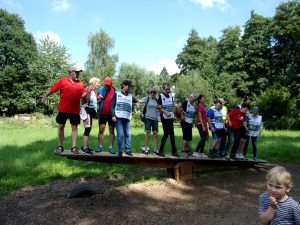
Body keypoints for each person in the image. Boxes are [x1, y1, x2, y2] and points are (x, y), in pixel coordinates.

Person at [41, 66, 85, 154]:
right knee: (61, 126)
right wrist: (45, 96)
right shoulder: (63, 81)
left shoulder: (80, 83)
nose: (78, 74)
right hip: (63, 108)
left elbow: (83, 96)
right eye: (76, 72)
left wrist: (88, 92)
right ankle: (60, 146)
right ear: (70, 72)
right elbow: (52, 89)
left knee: (75, 128)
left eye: (79, 72)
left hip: (75, 110)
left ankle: (74, 147)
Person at [111, 80, 139, 157]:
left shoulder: (131, 96)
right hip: (118, 118)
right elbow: (112, 106)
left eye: (130, 87)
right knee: (120, 135)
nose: (129, 88)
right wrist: (113, 115)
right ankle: (120, 151)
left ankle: (128, 150)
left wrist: (137, 103)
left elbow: (137, 101)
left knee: (128, 134)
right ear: (123, 85)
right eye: (128, 86)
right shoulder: (117, 94)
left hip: (127, 118)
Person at [156, 83, 179, 157]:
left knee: (172, 134)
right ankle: (160, 150)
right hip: (164, 116)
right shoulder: (161, 96)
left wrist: (175, 111)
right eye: (166, 89)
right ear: (163, 89)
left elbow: (172, 105)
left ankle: (174, 151)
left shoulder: (171, 96)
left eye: (169, 89)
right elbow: (158, 107)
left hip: (170, 117)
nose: (168, 90)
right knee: (166, 133)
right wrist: (165, 111)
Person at [95, 77, 117, 154]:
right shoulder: (101, 89)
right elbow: (95, 101)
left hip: (112, 114)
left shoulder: (115, 90)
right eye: (106, 84)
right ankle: (100, 146)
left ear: (111, 84)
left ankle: (111, 147)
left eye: (108, 85)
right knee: (101, 130)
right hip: (102, 113)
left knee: (111, 130)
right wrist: (98, 98)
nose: (106, 86)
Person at [80, 77, 100, 154]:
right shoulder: (88, 89)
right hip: (86, 111)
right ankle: (84, 148)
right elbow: (85, 99)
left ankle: (86, 147)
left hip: (90, 112)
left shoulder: (93, 91)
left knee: (88, 129)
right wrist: (89, 91)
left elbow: (93, 102)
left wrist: (99, 99)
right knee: (87, 129)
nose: (99, 84)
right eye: (97, 82)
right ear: (93, 83)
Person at [176, 93, 198, 157]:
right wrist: (181, 116)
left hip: (190, 123)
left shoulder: (193, 104)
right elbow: (178, 106)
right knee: (186, 137)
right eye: (194, 99)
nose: (194, 100)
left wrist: (194, 120)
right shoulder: (185, 102)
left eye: (195, 100)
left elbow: (193, 113)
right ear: (191, 97)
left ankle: (186, 151)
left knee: (189, 137)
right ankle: (182, 151)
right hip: (185, 122)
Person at [140, 87, 159, 154]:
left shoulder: (157, 100)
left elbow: (160, 108)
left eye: (154, 92)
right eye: (151, 92)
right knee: (148, 134)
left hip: (155, 119)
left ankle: (156, 150)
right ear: (149, 93)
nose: (152, 93)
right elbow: (138, 101)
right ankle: (146, 149)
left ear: (156, 93)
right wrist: (136, 104)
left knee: (155, 135)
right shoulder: (146, 99)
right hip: (148, 118)